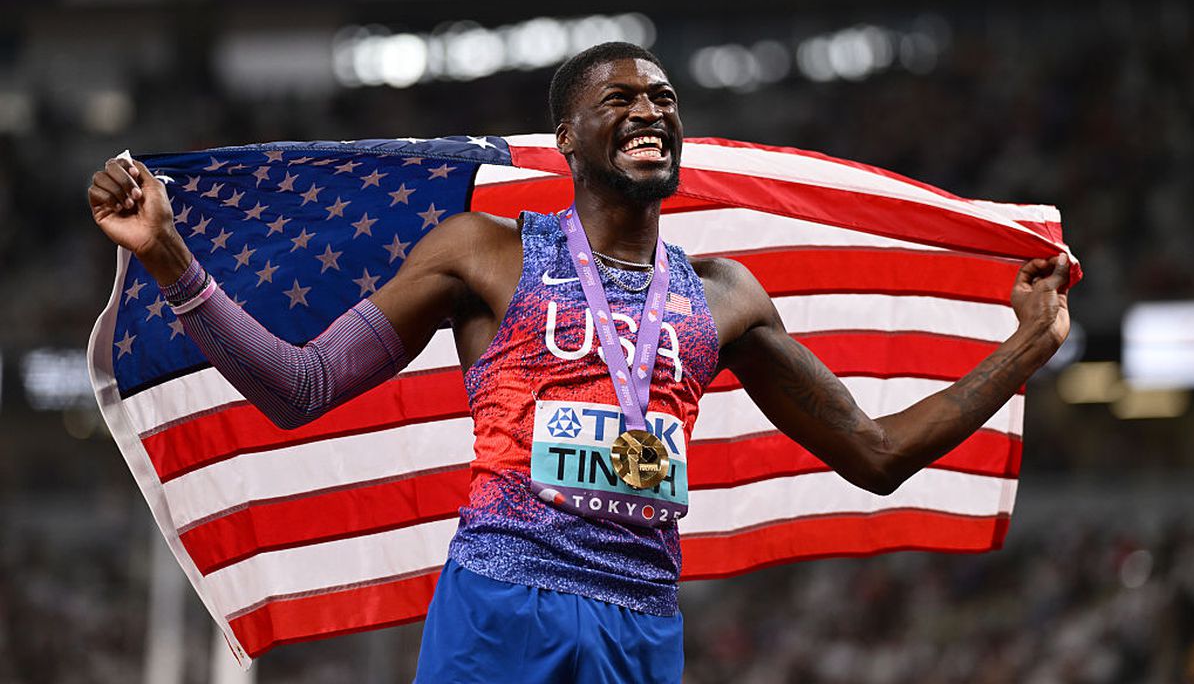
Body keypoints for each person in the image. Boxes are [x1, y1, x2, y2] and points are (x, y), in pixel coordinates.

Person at [88, 42, 1070, 683]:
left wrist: (1025, 345)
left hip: (641, 624)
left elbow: (875, 453)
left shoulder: (725, 294)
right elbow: (300, 387)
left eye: (664, 99)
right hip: (501, 607)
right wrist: (171, 259)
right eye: (621, 98)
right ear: (567, 137)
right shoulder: (484, 253)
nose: (649, 110)